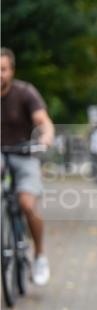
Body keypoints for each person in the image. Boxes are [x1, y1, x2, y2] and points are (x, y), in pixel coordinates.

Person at [0, 47, 55, 285]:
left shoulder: (25, 93)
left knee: (27, 204)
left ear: (11, 71)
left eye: (3, 69)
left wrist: (45, 138)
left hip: (24, 154)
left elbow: (43, 122)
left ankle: (40, 255)